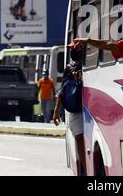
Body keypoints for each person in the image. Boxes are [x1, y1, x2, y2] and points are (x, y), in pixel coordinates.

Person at [53, 44, 86, 175]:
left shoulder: (75, 68)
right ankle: (86, 168)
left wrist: (56, 111)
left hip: (79, 110)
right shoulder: (73, 68)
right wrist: (56, 111)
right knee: (80, 140)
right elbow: (62, 91)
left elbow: (61, 91)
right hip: (78, 110)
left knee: (80, 140)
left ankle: (86, 168)